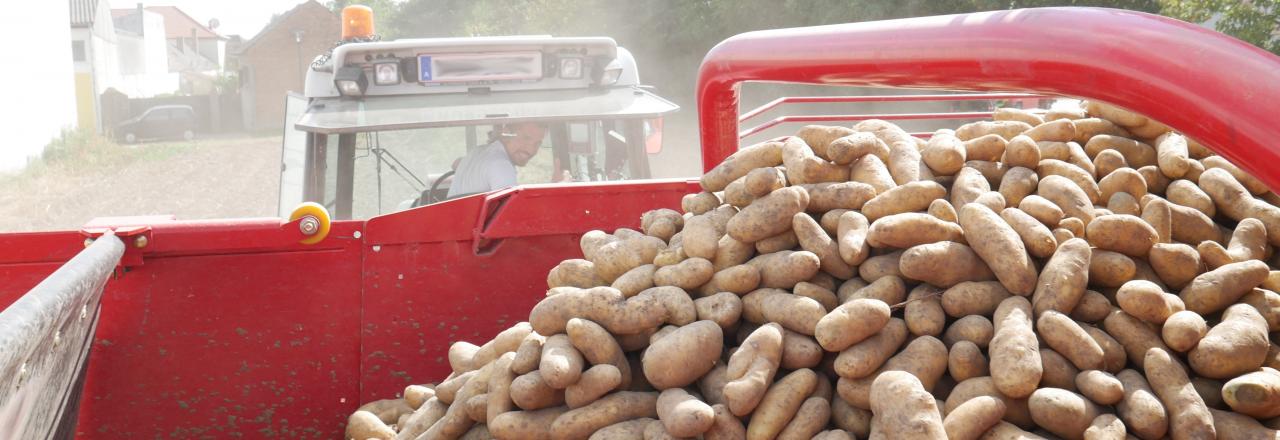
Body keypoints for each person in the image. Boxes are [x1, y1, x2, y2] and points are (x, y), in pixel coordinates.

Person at [447, 122, 546, 198]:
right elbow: (511, 214)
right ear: (506, 133)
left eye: (537, 143)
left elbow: (456, 164)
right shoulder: (500, 164)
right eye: (526, 138)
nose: (531, 150)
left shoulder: (476, 152)